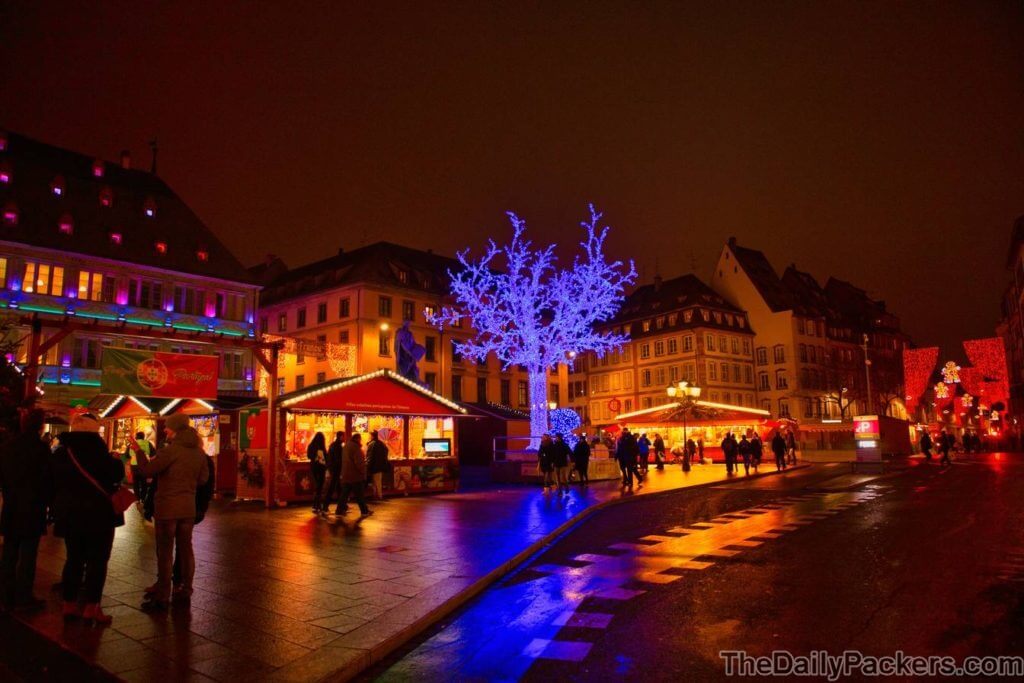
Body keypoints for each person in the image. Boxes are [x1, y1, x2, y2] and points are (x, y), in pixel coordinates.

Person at [50, 413, 124, 625]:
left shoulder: (62, 453)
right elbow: (114, 475)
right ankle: (92, 607)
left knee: (74, 558)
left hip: (71, 514)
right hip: (99, 514)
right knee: (97, 561)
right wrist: (117, 462)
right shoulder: (100, 452)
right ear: (95, 430)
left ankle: (69, 604)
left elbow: (54, 481)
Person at [136, 413, 209, 611]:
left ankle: (162, 597)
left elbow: (146, 470)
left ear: (175, 430)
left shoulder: (171, 451)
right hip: (188, 508)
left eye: (167, 427)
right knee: (186, 549)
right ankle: (186, 588)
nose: (165, 430)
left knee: (166, 552)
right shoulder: (199, 452)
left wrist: (138, 452)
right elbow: (203, 479)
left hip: (168, 507)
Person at [0, 409, 51, 612]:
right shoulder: (41, 449)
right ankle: (24, 595)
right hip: (33, 507)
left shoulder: (7, 447)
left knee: (9, 552)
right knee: (29, 554)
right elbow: (47, 480)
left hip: (12, 505)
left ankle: (5, 593)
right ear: (40, 426)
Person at [339, 433, 372, 517]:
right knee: (359, 494)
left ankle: (339, 510)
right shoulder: (356, 448)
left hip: (346, 474)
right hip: (355, 475)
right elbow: (359, 463)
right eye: (360, 439)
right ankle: (364, 511)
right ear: (357, 439)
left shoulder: (346, 446)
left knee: (344, 494)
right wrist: (363, 472)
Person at [125, 431, 153, 505]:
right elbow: (153, 453)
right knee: (144, 482)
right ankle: (143, 498)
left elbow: (127, 455)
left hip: (134, 465)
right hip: (144, 464)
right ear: (143, 437)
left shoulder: (132, 444)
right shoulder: (148, 443)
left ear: (136, 437)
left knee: (136, 482)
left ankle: (137, 498)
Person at [366, 430, 390, 501]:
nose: (369, 437)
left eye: (370, 436)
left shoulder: (371, 444)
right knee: (378, 481)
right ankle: (378, 495)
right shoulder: (381, 444)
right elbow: (386, 450)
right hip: (379, 465)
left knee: (374, 481)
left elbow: (369, 456)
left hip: (373, 465)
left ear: (373, 436)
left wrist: (368, 463)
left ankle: (377, 495)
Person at [307, 432, 328, 513]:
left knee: (317, 485)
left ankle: (316, 504)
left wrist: (314, 456)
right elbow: (325, 458)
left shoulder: (311, 445)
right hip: (321, 468)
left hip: (314, 467)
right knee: (320, 485)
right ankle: (317, 504)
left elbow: (309, 456)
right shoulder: (322, 447)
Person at [324, 432, 345, 509]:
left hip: (334, 469)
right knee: (333, 487)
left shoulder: (334, 445)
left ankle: (342, 505)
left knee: (338, 487)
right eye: (343, 436)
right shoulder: (337, 446)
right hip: (336, 469)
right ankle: (326, 505)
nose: (344, 438)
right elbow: (338, 459)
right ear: (340, 437)